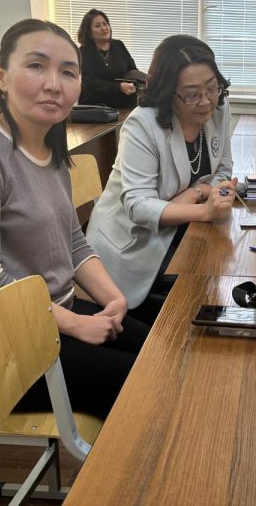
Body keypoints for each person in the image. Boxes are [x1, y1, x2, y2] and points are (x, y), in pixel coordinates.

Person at [0, 19, 150, 420]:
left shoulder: (51, 151)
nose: (53, 84)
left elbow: (73, 243)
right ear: (1, 75)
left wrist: (114, 299)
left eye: (68, 72)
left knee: (161, 351)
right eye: (36, 66)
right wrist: (77, 325)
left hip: (47, 317)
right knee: (146, 386)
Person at [86, 34, 236, 320]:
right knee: (199, 296)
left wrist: (194, 193)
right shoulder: (143, 124)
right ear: (168, 93)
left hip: (179, 228)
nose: (205, 101)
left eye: (211, 87)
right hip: (134, 242)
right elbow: (139, 206)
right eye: (191, 94)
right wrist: (203, 209)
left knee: (222, 272)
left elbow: (224, 171)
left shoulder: (219, 108)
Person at [77, 8, 144, 108]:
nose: (104, 28)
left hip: (123, 102)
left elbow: (132, 70)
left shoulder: (118, 45)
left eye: (105, 24)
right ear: (89, 32)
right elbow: (90, 82)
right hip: (96, 105)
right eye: (98, 26)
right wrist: (118, 87)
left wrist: (139, 82)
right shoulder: (84, 51)